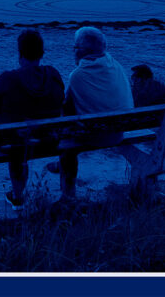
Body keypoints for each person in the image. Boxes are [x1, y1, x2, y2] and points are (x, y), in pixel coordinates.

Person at [0, 29, 65, 208]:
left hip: (15, 141)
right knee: (18, 137)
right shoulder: (54, 75)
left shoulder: (8, 79)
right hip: (48, 140)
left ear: (20, 53)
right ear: (42, 53)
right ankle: (17, 195)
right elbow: (61, 102)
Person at [59, 27, 133, 202]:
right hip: (119, 132)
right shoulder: (116, 65)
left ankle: (67, 195)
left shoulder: (78, 75)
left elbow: (67, 112)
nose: (73, 51)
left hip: (97, 137)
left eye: (75, 48)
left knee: (66, 146)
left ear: (82, 51)